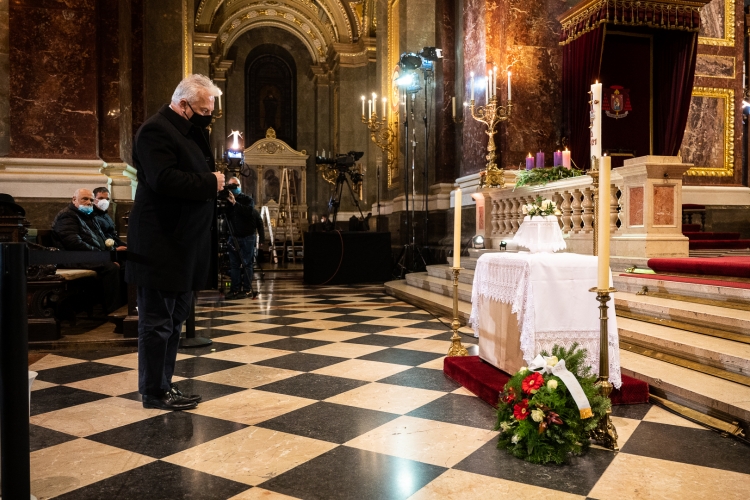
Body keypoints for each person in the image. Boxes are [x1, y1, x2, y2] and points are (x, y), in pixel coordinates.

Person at [126, 74, 224, 411]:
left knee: (174, 321)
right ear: (183, 104)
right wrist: (210, 182)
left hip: (182, 245)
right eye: (203, 110)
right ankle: (154, 391)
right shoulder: (156, 130)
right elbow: (163, 178)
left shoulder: (186, 131)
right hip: (160, 245)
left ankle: (163, 384)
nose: (207, 117)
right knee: (157, 323)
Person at [51, 188, 122, 313]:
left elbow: (101, 238)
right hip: (73, 257)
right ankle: (113, 311)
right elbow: (74, 243)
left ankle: (125, 306)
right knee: (111, 268)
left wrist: (111, 250)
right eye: (85, 199)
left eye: (91, 199)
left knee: (125, 262)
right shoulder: (67, 216)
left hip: (88, 255)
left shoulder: (89, 216)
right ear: (74, 199)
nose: (89, 202)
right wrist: (102, 255)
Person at [224, 177, 264, 299]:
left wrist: (235, 203)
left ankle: (247, 290)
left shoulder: (248, 200)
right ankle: (234, 289)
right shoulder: (226, 201)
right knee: (234, 265)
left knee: (247, 264)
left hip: (247, 237)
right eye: (230, 186)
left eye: (235, 185)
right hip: (233, 237)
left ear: (240, 186)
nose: (233, 188)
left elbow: (248, 212)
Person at [92, 187, 126, 251]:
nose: (104, 201)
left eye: (107, 199)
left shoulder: (105, 215)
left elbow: (112, 235)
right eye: (101, 198)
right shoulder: (91, 216)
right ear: (93, 199)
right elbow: (97, 238)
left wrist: (123, 244)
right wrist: (114, 249)